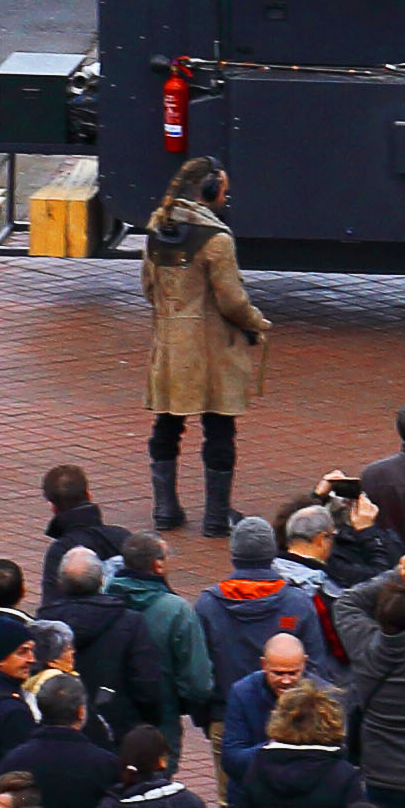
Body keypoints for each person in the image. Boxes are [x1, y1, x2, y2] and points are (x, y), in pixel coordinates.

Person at [144, 153, 269, 538]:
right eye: (224, 191)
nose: (225, 198)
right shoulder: (216, 240)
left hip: (169, 345)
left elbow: (149, 289)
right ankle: (216, 517)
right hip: (211, 349)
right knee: (218, 429)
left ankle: (165, 510)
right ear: (211, 191)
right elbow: (231, 300)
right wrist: (256, 323)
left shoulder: (157, 227)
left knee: (167, 424)